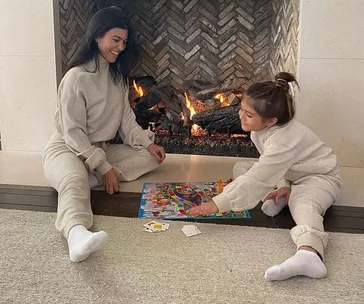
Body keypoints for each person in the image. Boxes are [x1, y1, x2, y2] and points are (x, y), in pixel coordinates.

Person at [188, 72, 341, 281]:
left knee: (302, 201)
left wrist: (218, 203)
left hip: (318, 176)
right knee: (243, 167)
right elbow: (271, 165)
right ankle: (281, 193)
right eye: (241, 109)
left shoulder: (283, 141)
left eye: (248, 115)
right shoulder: (261, 130)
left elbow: (261, 174)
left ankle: (309, 253)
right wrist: (283, 182)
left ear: (270, 121)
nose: (241, 116)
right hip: (288, 171)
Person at [43, 6, 166, 263]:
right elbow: (73, 133)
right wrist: (104, 166)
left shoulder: (117, 77)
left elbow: (126, 120)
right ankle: (76, 236)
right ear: (97, 36)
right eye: (115, 40)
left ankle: (93, 177)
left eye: (123, 42)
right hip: (67, 148)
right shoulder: (75, 78)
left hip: (100, 148)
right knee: (74, 183)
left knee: (151, 158)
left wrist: (146, 142)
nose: (120, 47)